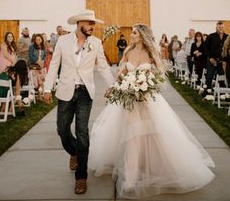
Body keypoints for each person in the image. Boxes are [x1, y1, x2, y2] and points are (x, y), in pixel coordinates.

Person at [89, 23, 215, 199]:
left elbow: (159, 76)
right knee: (133, 135)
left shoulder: (150, 54)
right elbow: (120, 74)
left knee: (150, 135)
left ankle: (153, 167)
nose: (131, 35)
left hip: (147, 101)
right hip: (130, 100)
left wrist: (147, 84)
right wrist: (121, 84)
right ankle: (131, 177)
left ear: (142, 35)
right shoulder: (127, 52)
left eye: (134, 33)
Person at [44, 9, 114, 195]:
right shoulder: (63, 41)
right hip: (65, 91)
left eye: (93, 24)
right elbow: (54, 65)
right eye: (90, 24)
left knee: (82, 132)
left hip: (85, 92)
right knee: (62, 130)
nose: (92, 27)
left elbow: (104, 67)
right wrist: (46, 88)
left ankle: (81, 177)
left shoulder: (96, 43)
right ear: (79, 24)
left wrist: (113, 85)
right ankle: (74, 152)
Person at [204, 21, 228, 90]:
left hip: (222, 61)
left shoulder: (227, 37)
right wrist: (210, 58)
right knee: (209, 77)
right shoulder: (211, 36)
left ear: (224, 28)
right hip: (212, 60)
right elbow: (206, 48)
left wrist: (225, 60)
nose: (221, 28)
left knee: (222, 78)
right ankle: (206, 93)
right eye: (219, 27)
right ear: (216, 27)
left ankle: (223, 95)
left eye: (222, 27)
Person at [29, 34, 46, 100]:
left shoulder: (43, 47)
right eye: (36, 40)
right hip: (34, 66)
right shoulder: (31, 47)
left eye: (39, 39)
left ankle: (40, 95)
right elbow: (30, 56)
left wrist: (42, 61)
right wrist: (37, 61)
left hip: (41, 66)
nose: (38, 41)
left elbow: (45, 55)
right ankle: (32, 96)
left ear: (41, 40)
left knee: (41, 81)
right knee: (34, 81)